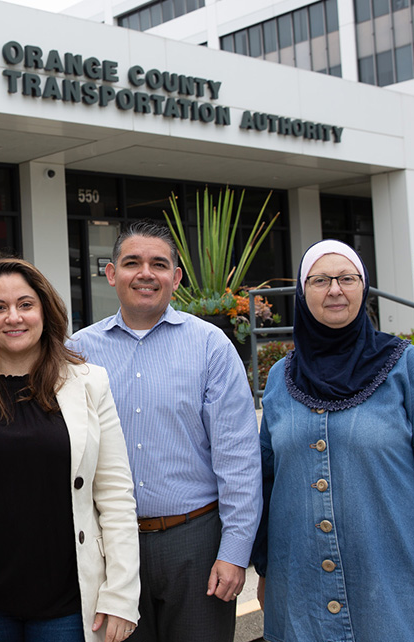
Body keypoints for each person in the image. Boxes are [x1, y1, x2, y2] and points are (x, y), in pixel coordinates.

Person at [251, 239, 414, 642]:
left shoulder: (405, 366)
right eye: (320, 280)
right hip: (301, 592)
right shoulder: (280, 377)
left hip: (394, 593)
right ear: (302, 292)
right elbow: (267, 482)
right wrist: (265, 568)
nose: (335, 290)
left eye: (347, 278)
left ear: (364, 288)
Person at [70, 220, 262, 642]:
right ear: (111, 273)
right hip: (108, 547)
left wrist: (234, 553)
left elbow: (239, 459)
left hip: (195, 543)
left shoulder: (211, 347)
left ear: (175, 278)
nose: (145, 274)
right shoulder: (77, 352)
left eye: (158, 264)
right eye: (132, 263)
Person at [0, 257, 140, 642]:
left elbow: (115, 495)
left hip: (67, 603)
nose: (13, 317)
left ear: (45, 311)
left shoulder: (89, 383)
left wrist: (122, 593)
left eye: (25, 304)